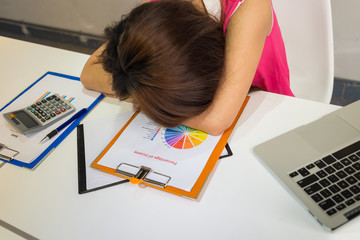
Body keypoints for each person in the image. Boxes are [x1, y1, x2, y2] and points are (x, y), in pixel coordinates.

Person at [81, 0, 294, 135]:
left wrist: (147, 97)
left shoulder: (250, 8)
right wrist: (149, 95)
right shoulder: (159, 11)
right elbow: (90, 72)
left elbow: (215, 120)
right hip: (196, 109)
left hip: (265, 117)